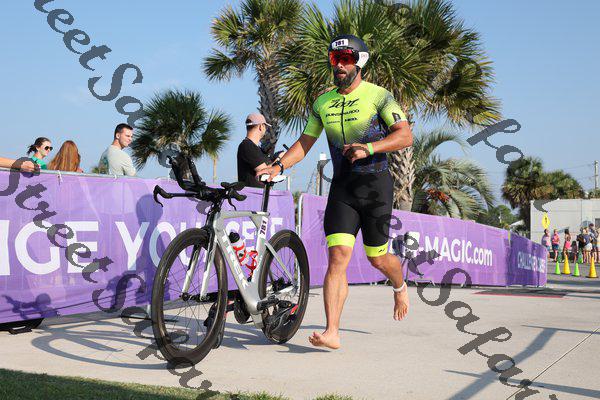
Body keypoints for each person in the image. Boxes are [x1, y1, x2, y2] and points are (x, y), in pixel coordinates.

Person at [256, 34, 413, 349]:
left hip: (375, 187)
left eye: (346, 59)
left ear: (359, 62)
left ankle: (400, 286)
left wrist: (370, 148)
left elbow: (405, 135)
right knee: (337, 257)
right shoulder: (322, 102)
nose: (339, 65)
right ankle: (332, 331)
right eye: (334, 59)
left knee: (378, 259)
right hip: (343, 188)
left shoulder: (379, 96)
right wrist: (278, 166)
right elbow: (305, 143)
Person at [237, 113, 284, 188]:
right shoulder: (247, 146)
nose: (265, 129)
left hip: (259, 193)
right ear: (261, 126)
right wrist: (280, 159)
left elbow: (268, 166)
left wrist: (277, 159)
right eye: (265, 126)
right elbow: (265, 171)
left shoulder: (253, 147)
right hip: (253, 194)